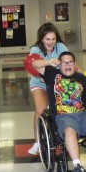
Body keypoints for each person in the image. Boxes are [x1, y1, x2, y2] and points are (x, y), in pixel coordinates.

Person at [28, 23, 69, 155]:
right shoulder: (35, 49)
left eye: (53, 39)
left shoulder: (61, 46)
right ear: (41, 39)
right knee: (40, 110)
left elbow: (70, 61)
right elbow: (33, 64)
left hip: (57, 83)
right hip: (38, 84)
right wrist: (48, 62)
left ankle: (67, 137)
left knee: (65, 109)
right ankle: (37, 143)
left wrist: (82, 74)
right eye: (47, 39)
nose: (51, 42)